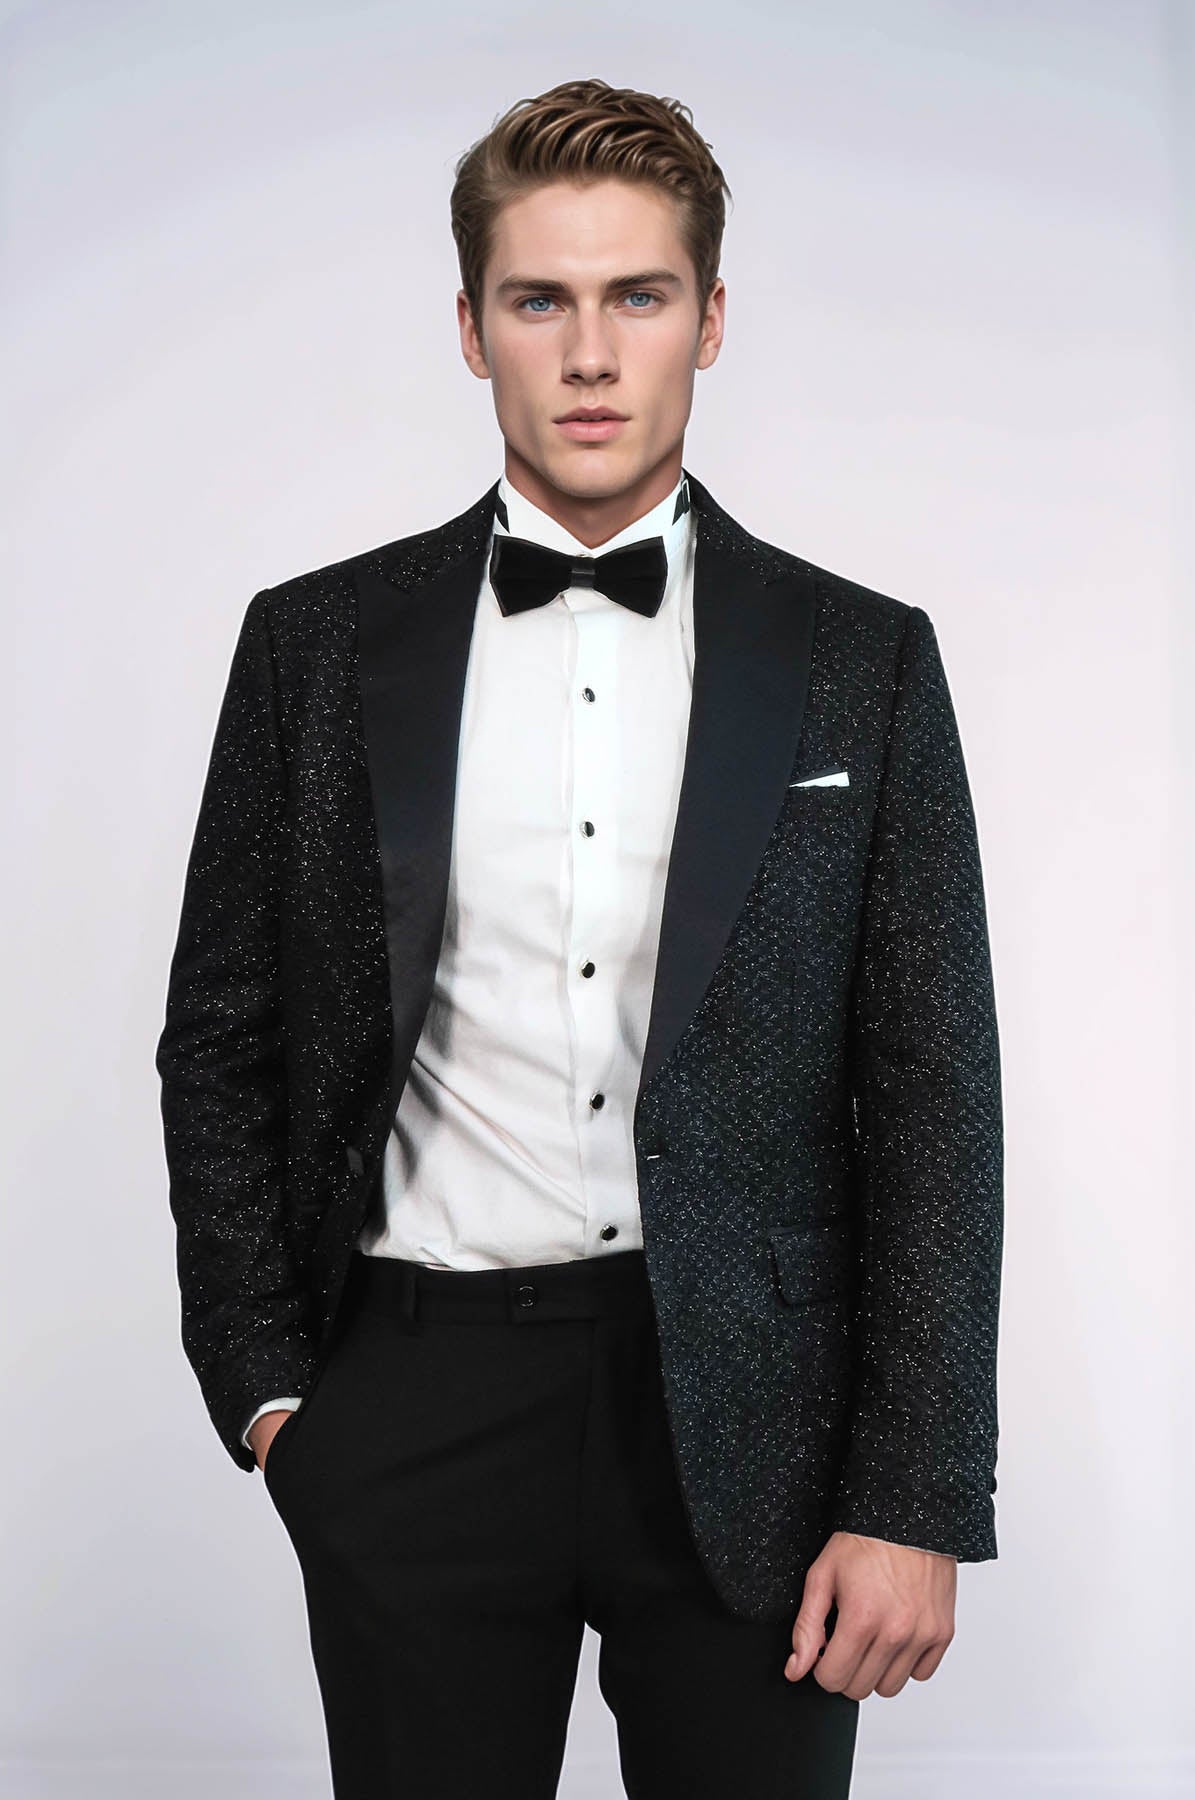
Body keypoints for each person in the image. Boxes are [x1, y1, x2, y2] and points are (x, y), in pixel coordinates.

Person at [155, 75, 1003, 1800]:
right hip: (415, 1403)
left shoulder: (863, 661)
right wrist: (270, 1393)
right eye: (541, 300)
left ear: (712, 320)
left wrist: (912, 1490)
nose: (593, 354)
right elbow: (222, 1037)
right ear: (473, 330)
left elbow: (934, 1091)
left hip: (756, 1420)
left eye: (641, 296)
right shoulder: (314, 647)